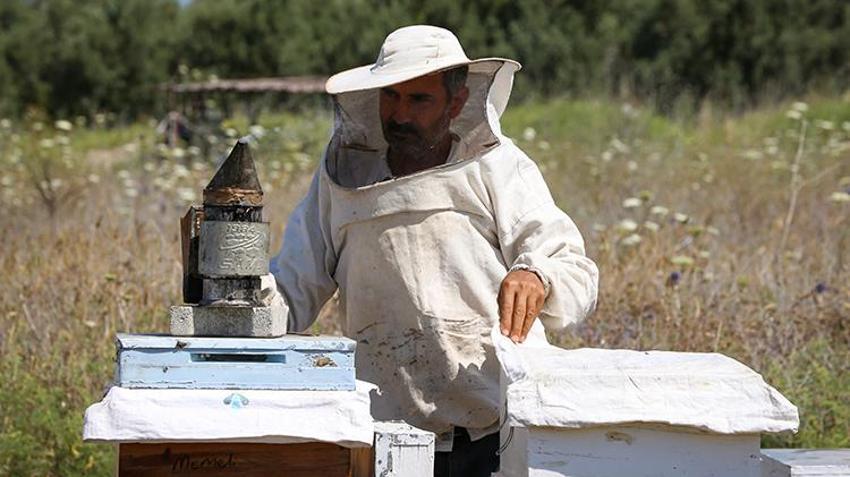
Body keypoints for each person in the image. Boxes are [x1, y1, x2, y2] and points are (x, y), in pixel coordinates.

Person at [268, 25, 598, 477]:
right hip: (381, 422)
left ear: (457, 103)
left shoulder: (499, 166)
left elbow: (573, 269)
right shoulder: (340, 179)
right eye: (391, 97)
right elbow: (292, 285)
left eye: (419, 100)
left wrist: (537, 275)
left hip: (492, 422)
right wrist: (234, 306)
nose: (399, 115)